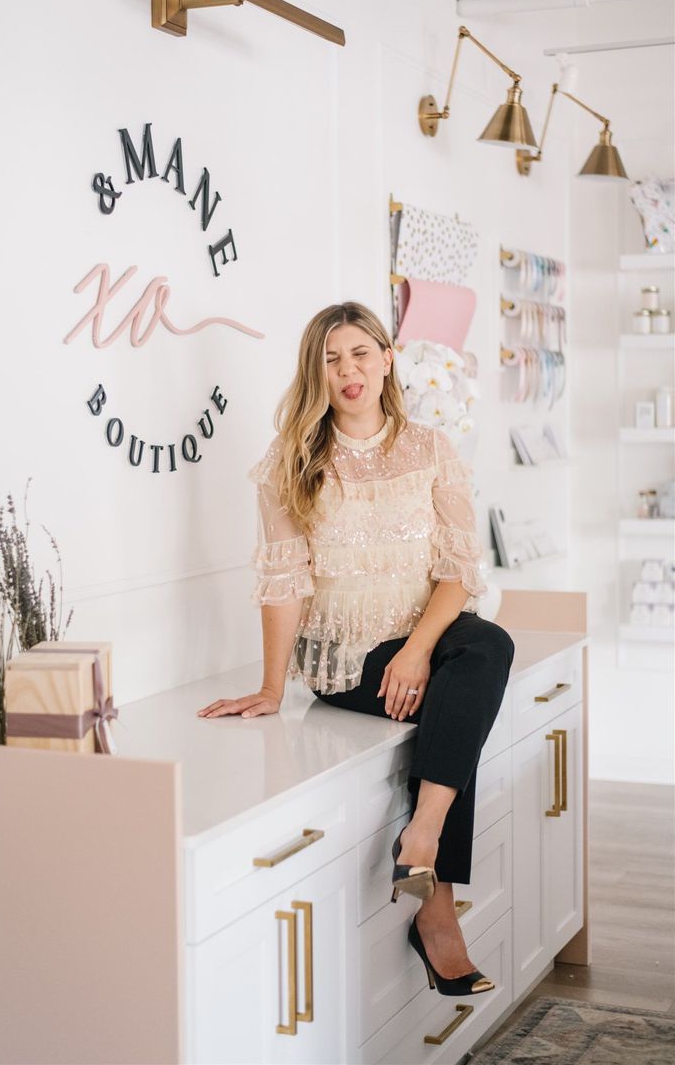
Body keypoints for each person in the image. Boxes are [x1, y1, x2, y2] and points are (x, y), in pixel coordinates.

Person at [196, 301, 515, 996]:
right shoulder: (290, 461)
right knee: (457, 701)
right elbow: (285, 583)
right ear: (317, 370)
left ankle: (422, 838)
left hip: (421, 633)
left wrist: (416, 651)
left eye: (360, 354)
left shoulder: (431, 449)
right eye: (331, 358)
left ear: (387, 359)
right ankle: (437, 914)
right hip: (347, 656)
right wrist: (273, 688)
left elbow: (457, 572)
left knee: (487, 645)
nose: (348, 370)